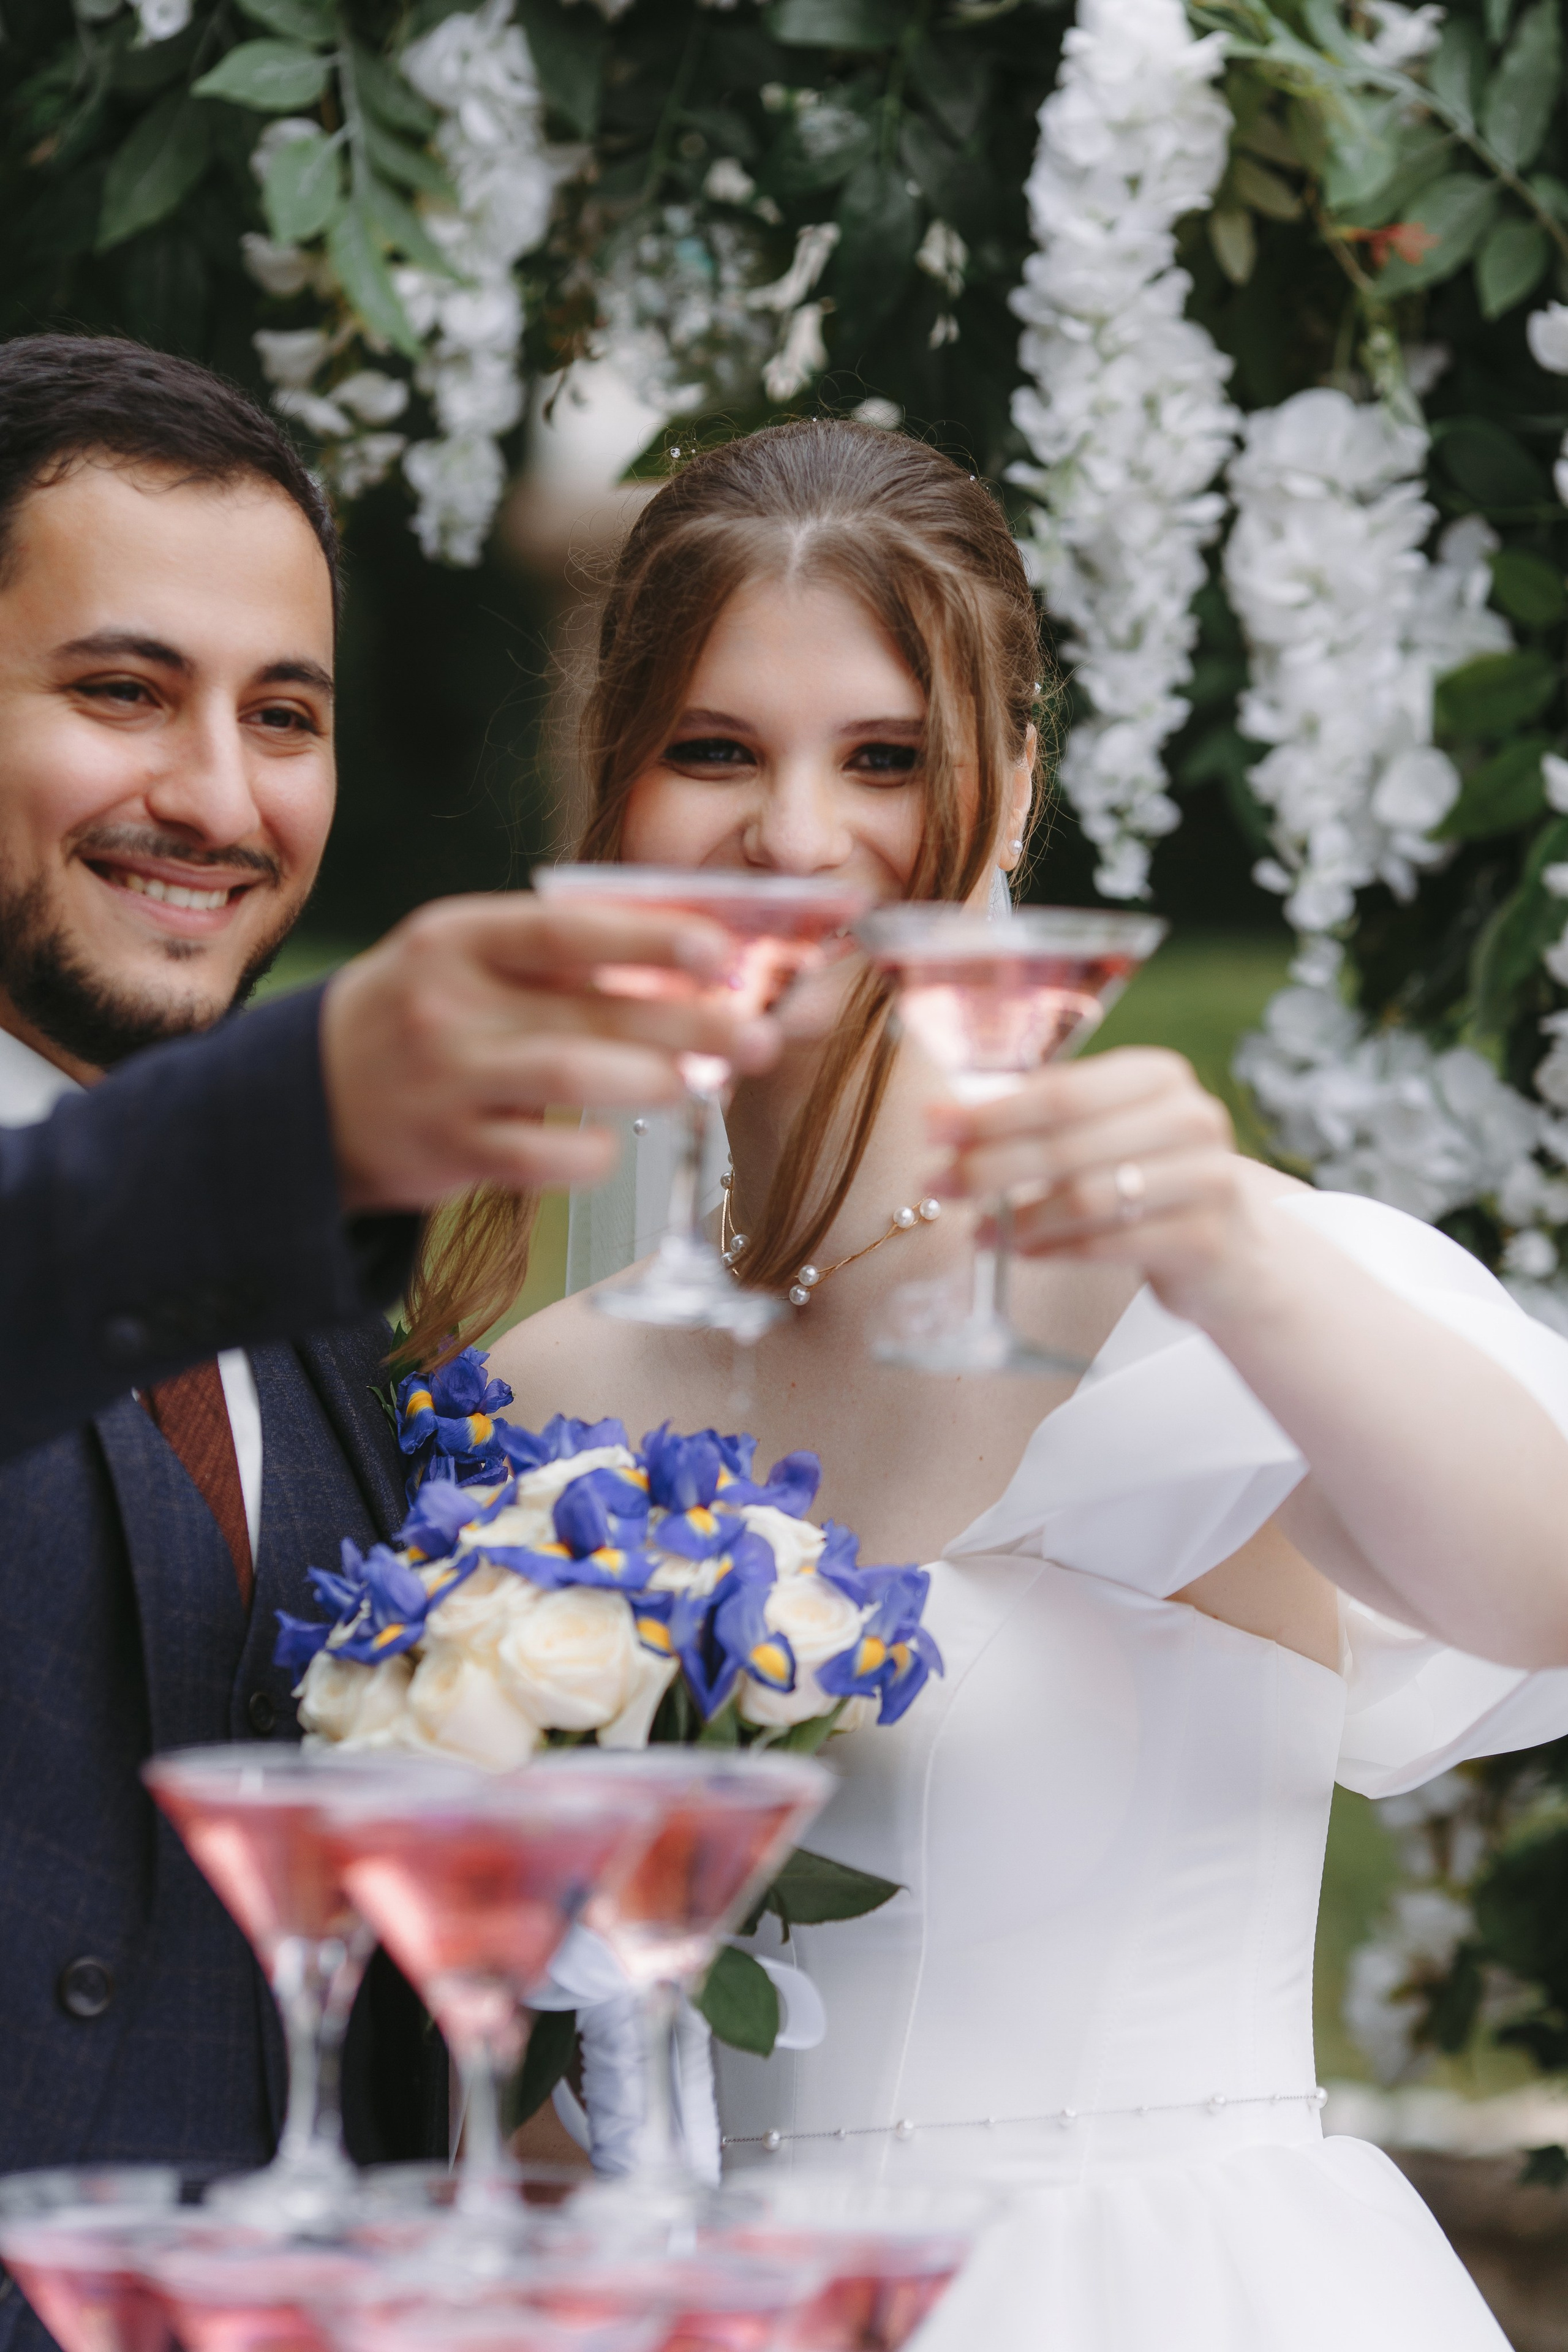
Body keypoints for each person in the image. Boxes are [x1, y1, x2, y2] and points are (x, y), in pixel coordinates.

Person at [417, 418, 1568, 2350]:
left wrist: (1230, 1241)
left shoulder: (1179, 1291)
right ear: (614, 788)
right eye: (715, 752)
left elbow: (1542, 1586)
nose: (796, 842)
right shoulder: (542, 1388)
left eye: (887, 760)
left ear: (1014, 790)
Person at [0, 328, 776, 2297]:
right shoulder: (244, 1187)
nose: (215, 796)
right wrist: (298, 1121)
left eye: (285, 715)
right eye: (118, 692)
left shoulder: (337, 1318)